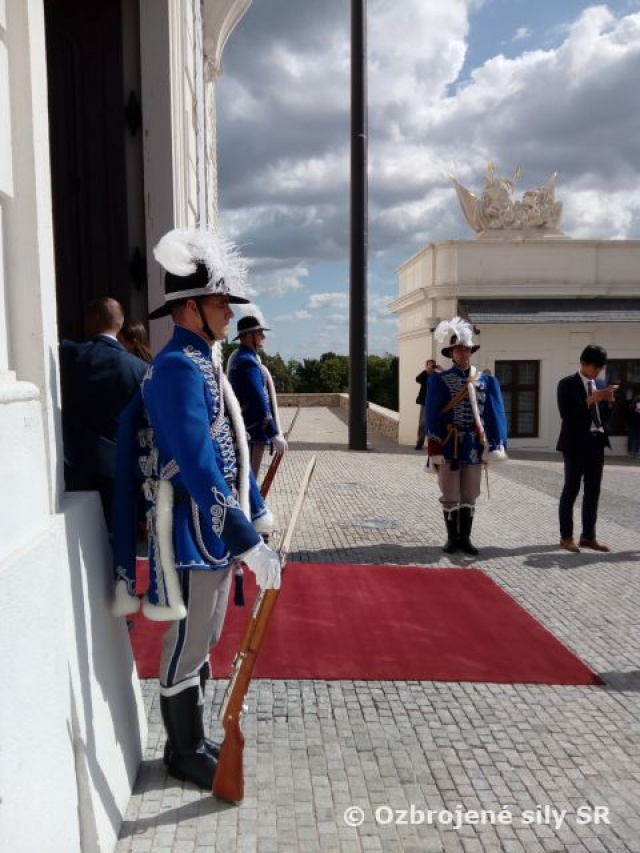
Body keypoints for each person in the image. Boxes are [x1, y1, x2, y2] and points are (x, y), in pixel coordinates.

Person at [111, 228, 280, 790]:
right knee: (186, 640)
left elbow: (233, 453)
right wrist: (245, 539)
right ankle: (182, 751)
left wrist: (254, 518)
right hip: (190, 526)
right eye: (220, 302)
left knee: (205, 636)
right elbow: (197, 461)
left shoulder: (204, 362)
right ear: (191, 308)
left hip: (214, 527)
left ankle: (194, 737)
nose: (230, 314)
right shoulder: (179, 367)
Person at [60, 297, 148, 531]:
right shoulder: (140, 369)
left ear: (94, 319)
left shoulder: (69, 354)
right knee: (120, 537)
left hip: (77, 467)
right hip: (122, 469)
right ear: (120, 323)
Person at [426, 317, 508, 556]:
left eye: (466, 349)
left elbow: (495, 412)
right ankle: (452, 539)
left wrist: (495, 443)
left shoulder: (486, 380)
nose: (463, 353)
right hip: (449, 444)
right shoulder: (439, 380)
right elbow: (432, 414)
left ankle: (465, 538)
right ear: (451, 353)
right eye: (458, 349)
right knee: (450, 492)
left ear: (471, 351)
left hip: (473, 445)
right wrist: (435, 447)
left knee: (470, 493)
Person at [557, 345, 616, 553]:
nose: (598, 372)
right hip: (574, 444)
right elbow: (567, 415)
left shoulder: (599, 384)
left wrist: (609, 402)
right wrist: (592, 399)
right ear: (583, 363)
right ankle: (566, 537)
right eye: (595, 368)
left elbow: (603, 418)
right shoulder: (567, 384)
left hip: (596, 443)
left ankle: (588, 537)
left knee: (593, 491)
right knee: (571, 489)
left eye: (600, 369)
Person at [226, 304, 287, 477]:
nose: (263, 336)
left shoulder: (244, 358)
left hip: (250, 429)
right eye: (259, 333)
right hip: (252, 431)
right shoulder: (247, 362)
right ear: (248, 336)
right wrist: (273, 433)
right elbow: (258, 398)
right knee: (249, 479)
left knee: (247, 478)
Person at [414, 359, 438, 450]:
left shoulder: (437, 376)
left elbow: (446, 379)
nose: (431, 367)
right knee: (422, 423)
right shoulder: (424, 375)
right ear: (426, 366)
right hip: (424, 402)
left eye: (432, 365)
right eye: (429, 365)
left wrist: (439, 369)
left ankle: (433, 444)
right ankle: (419, 443)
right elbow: (417, 379)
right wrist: (426, 371)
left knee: (434, 423)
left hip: (434, 403)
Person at [627, 392, 640, 457]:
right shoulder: (632, 403)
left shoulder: (631, 402)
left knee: (635, 438)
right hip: (634, 422)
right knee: (634, 437)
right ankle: (633, 451)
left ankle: (633, 451)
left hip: (634, 422)